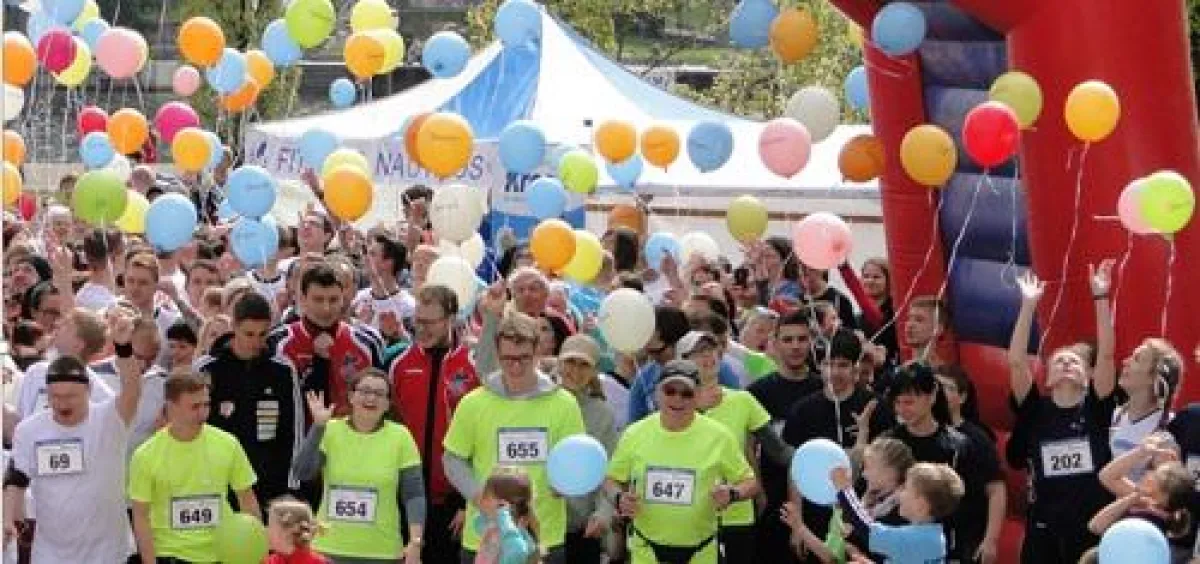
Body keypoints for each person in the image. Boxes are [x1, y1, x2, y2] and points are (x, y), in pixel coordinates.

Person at [442, 311, 586, 563]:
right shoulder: (474, 403)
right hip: (485, 539)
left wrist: (566, 484)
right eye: (508, 359)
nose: (516, 366)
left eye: (524, 358)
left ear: (537, 353)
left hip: (543, 538)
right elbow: (452, 459)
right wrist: (479, 498)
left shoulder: (564, 404)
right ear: (497, 356)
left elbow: (576, 459)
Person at [2, 319, 144, 563]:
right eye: (56, 397)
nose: (63, 404)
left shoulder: (110, 420)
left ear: (88, 391)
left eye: (71, 397)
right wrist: (7, 518)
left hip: (107, 553)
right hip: (51, 553)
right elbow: (16, 478)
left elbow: (133, 388)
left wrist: (123, 347)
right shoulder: (30, 430)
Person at [1007, 266, 1117, 564]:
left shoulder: (1097, 408)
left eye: (1074, 362)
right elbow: (1016, 362)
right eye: (1059, 361)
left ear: (1088, 375)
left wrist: (1101, 297)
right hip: (1045, 528)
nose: (1066, 364)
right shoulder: (1034, 410)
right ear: (1047, 377)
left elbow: (1107, 355)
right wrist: (1029, 305)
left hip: (1092, 526)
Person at [603, 360, 759, 564]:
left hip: (700, 553)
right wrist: (619, 498)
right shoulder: (635, 433)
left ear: (698, 396)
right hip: (647, 551)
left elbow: (750, 482)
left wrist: (732, 494)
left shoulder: (719, 436)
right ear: (658, 393)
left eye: (686, 393)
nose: (678, 399)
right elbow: (611, 479)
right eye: (670, 391)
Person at [293, 369, 426, 563]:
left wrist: (415, 544)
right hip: (328, 549)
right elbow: (302, 473)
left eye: (379, 393)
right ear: (351, 397)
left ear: (388, 404)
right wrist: (318, 427)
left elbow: (414, 495)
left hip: (382, 552)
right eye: (364, 391)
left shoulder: (401, 436)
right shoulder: (330, 430)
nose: (371, 397)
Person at [388, 284, 480, 564]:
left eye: (430, 322)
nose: (422, 329)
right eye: (418, 321)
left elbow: (482, 440)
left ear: (451, 319)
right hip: (405, 497)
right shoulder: (399, 363)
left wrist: (469, 503)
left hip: (453, 502)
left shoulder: (472, 364)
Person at [679, 331, 789, 563]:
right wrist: (696, 408)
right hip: (690, 515)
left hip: (737, 512)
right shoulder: (675, 406)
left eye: (710, 349)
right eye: (698, 352)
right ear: (682, 362)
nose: (707, 356)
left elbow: (779, 451)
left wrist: (815, 458)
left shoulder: (743, 400)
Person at [128, 372, 261, 563]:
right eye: (194, 407)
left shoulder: (228, 443)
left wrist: (255, 553)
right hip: (171, 554)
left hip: (222, 553)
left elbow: (247, 500)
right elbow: (141, 517)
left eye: (206, 405)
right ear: (171, 407)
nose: (203, 413)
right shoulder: (146, 455)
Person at [782, 330, 892, 545]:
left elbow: (888, 464)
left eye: (842, 365)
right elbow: (795, 468)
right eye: (828, 364)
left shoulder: (876, 408)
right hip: (815, 515)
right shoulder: (803, 410)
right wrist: (798, 525)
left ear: (855, 368)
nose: (834, 372)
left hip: (862, 514)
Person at [197, 292, 305, 508]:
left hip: (268, 485)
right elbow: (195, 425)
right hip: (218, 483)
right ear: (234, 326)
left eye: (262, 334)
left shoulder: (282, 370)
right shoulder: (207, 368)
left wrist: (290, 486)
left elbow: (293, 431)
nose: (256, 342)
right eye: (249, 334)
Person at [273, 263, 383, 416]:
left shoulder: (366, 343)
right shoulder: (278, 343)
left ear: (343, 300)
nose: (326, 308)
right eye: (318, 300)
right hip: (301, 438)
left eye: (333, 300)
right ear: (303, 299)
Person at [555, 335, 618, 564]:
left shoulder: (602, 414)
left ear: (594, 371)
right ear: (559, 363)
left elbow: (611, 471)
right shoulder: (538, 403)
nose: (576, 370)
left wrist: (604, 514)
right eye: (571, 362)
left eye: (584, 365)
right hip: (538, 524)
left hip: (582, 529)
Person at [833, 462, 965, 564]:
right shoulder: (934, 536)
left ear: (921, 504)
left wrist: (845, 489)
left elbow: (867, 529)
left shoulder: (914, 538)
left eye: (906, 488)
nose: (899, 493)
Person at [15, 308, 114, 420]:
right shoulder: (35, 372)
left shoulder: (101, 394)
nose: (57, 324)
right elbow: (20, 421)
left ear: (79, 344)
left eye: (66, 325)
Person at [1111, 339, 1184, 463]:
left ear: (1154, 378)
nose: (1125, 362)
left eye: (1136, 359)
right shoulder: (1114, 415)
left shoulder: (1170, 429)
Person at [1090, 457, 1193, 542]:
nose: (1148, 473)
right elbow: (1106, 476)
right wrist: (1143, 451)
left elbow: (1096, 526)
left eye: (1155, 475)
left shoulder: (1145, 522)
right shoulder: (1147, 503)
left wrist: (1132, 498)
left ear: (1162, 496)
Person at [473, 470, 541, 564]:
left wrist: (503, 515)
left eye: (486, 496)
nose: (481, 499)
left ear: (502, 506)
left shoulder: (515, 538)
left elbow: (517, 551)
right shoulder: (494, 528)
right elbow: (478, 523)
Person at [265, 498, 329, 564]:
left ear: (289, 531)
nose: (265, 530)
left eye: (270, 526)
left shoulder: (318, 562)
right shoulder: (270, 561)